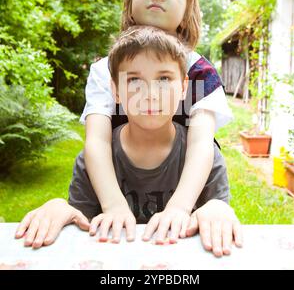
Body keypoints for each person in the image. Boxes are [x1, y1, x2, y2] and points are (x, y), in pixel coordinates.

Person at [15, 26, 242, 257]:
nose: (151, 93)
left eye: (164, 78)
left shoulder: (207, 159)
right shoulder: (93, 162)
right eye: (134, 80)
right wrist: (62, 208)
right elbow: (80, 222)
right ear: (115, 90)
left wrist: (218, 208)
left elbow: (216, 218)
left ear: (184, 87)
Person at [77, 0, 233, 244]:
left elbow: (202, 144)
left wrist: (179, 207)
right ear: (130, 1)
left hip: (183, 190)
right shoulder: (103, 70)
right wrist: (112, 205)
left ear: (188, 8)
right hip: (122, 179)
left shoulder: (201, 73)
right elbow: (96, 140)